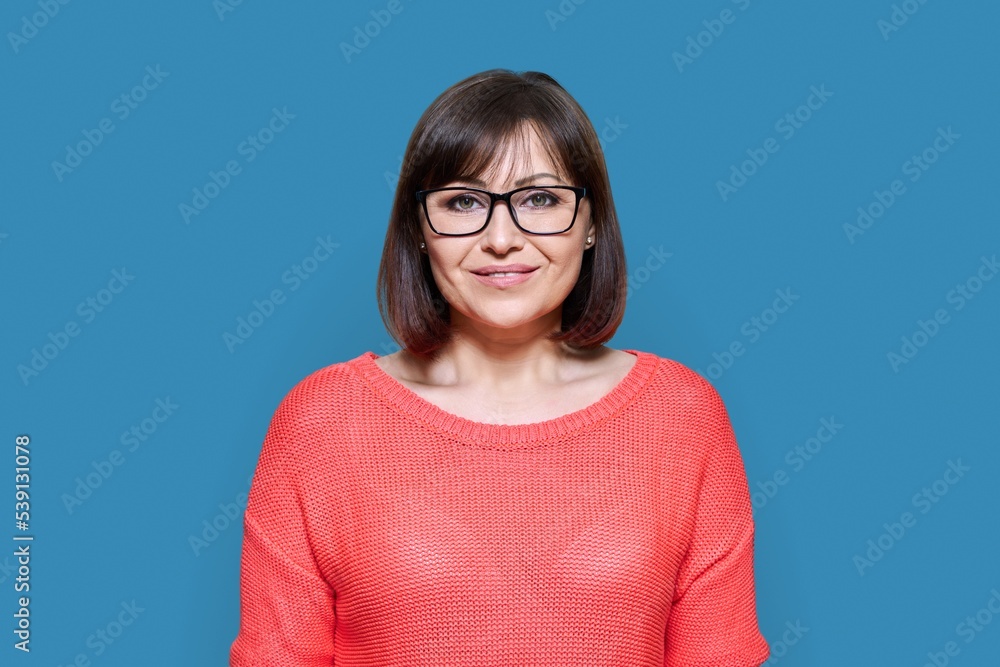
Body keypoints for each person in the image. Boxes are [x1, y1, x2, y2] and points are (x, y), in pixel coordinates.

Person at [230, 68, 770, 666]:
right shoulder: (321, 422)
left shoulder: (683, 416)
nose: (501, 238)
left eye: (540, 199)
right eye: (464, 201)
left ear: (591, 225)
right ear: (418, 229)